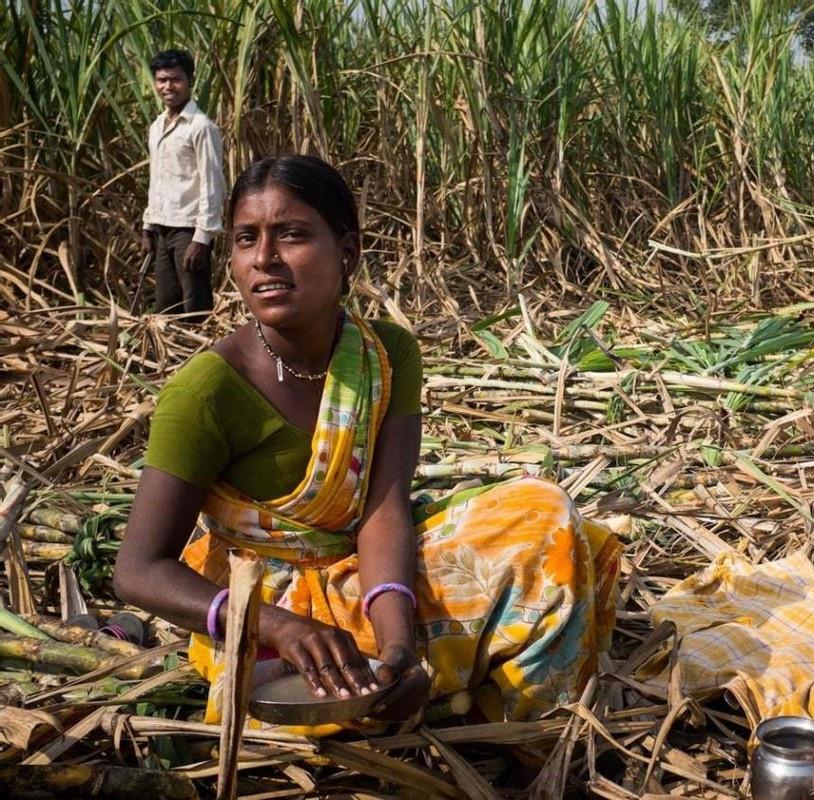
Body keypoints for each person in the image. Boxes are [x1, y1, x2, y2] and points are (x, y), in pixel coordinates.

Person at [114, 156, 620, 733]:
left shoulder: (384, 355)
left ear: (348, 251)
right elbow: (138, 570)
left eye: (293, 235)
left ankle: (511, 728)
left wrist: (399, 645)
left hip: (373, 574)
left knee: (545, 517)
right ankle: (443, 688)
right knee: (316, 697)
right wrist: (275, 626)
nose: (264, 260)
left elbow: (384, 509)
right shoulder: (204, 391)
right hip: (266, 608)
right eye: (245, 239)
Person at [140, 49, 225, 318]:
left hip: (189, 229)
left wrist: (202, 239)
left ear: (190, 81)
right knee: (166, 305)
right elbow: (158, 180)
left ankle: (201, 357)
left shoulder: (201, 127)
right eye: (162, 80)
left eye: (175, 79)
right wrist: (148, 226)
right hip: (163, 227)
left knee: (195, 307)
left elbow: (213, 184)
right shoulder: (157, 127)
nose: (168, 86)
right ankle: (171, 359)